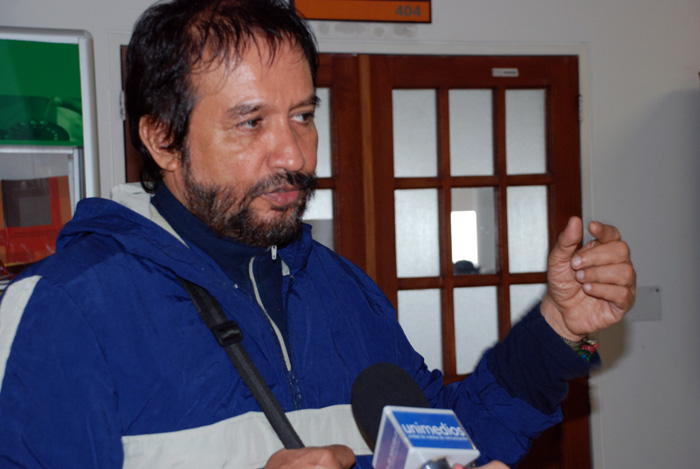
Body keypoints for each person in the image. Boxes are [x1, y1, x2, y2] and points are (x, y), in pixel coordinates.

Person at [0, 0, 635, 468]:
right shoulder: (63, 309)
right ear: (162, 138)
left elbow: (445, 438)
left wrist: (558, 327)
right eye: (251, 123)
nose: (293, 154)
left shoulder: (339, 288)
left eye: (303, 116)